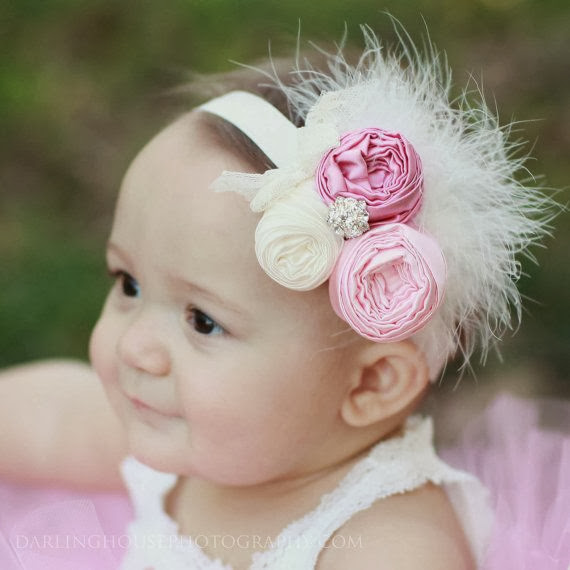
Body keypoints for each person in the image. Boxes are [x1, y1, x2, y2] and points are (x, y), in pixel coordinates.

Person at [0, 26, 568, 570]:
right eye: (129, 284)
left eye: (203, 322)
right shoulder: (177, 427)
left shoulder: (389, 544)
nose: (135, 347)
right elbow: (51, 418)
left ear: (370, 383)